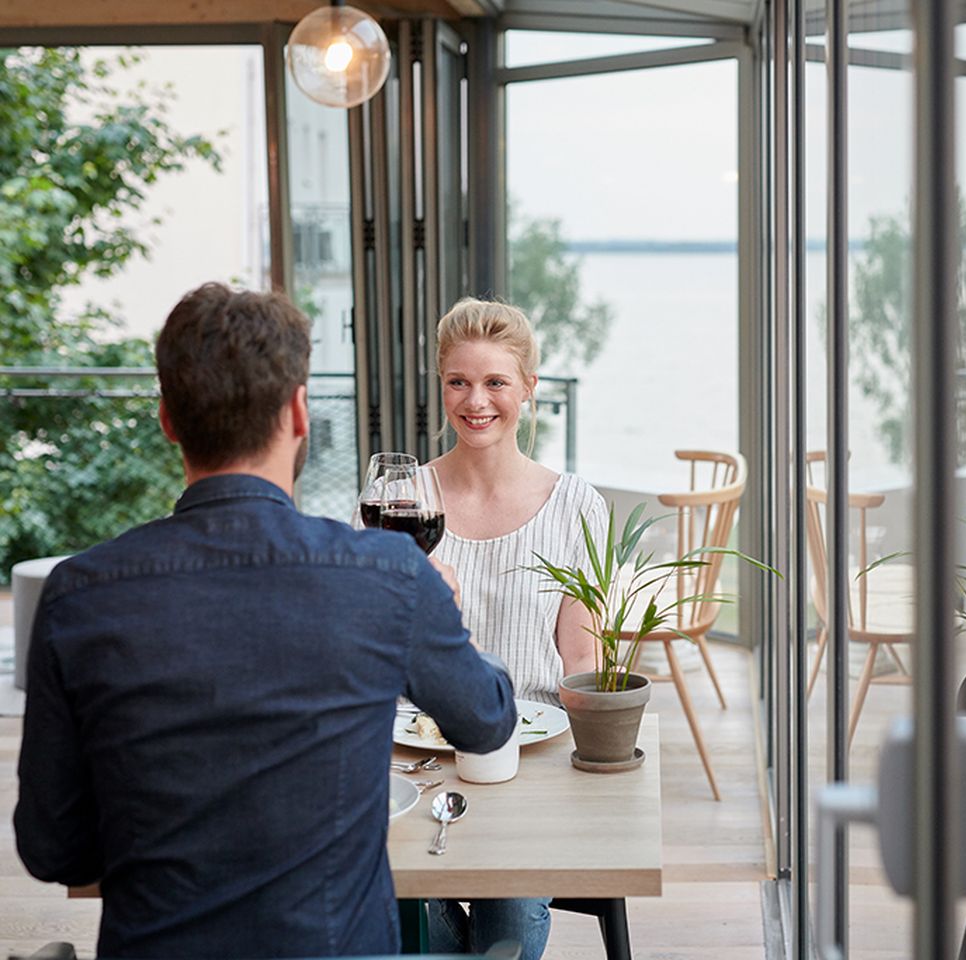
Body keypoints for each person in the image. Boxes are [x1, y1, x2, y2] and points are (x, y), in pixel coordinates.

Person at [13, 283, 517, 959]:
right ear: (300, 412)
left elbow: (55, 851)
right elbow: (487, 720)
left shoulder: (77, 594)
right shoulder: (388, 575)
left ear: (166, 418)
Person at [423, 297, 609, 959]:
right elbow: (369, 651)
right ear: (441, 384)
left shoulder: (576, 506)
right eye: (458, 381)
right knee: (401, 907)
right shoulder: (397, 501)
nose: (476, 400)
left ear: (529, 388)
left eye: (496, 381)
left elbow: (580, 655)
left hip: (529, 761)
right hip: (418, 760)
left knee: (506, 931)